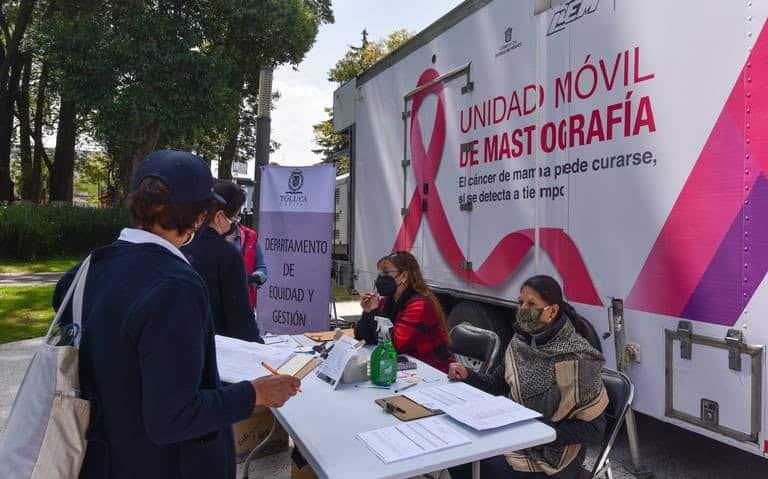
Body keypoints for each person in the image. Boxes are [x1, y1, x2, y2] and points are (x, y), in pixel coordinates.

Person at [52, 149, 300, 479]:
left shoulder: (89, 267)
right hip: (161, 464)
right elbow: (173, 417)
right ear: (198, 217)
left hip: (99, 456)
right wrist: (256, 392)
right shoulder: (175, 287)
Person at [447, 275, 607, 479]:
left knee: (477, 466)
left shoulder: (578, 358)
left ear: (552, 311)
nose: (523, 308)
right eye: (520, 302)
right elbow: (498, 384)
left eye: (531, 304)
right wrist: (468, 375)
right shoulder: (521, 342)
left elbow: (594, 429)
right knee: (459, 455)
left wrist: (540, 431)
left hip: (552, 456)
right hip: (515, 436)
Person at [182, 181, 262, 342]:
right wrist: (261, 349)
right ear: (219, 217)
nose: (236, 223)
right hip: (219, 347)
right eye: (235, 216)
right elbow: (241, 319)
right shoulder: (228, 255)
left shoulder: (182, 244)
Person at [354, 251, 454, 372]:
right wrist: (368, 311)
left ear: (404, 276)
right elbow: (364, 338)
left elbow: (394, 346)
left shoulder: (420, 305)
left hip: (433, 369)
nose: (381, 278)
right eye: (380, 273)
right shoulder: (387, 301)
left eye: (386, 273)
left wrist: (375, 312)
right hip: (407, 366)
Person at [215, 182, 267, 310]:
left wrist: (254, 277)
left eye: (238, 210)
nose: (237, 215)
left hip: (244, 303)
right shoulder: (207, 238)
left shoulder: (250, 236)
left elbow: (262, 268)